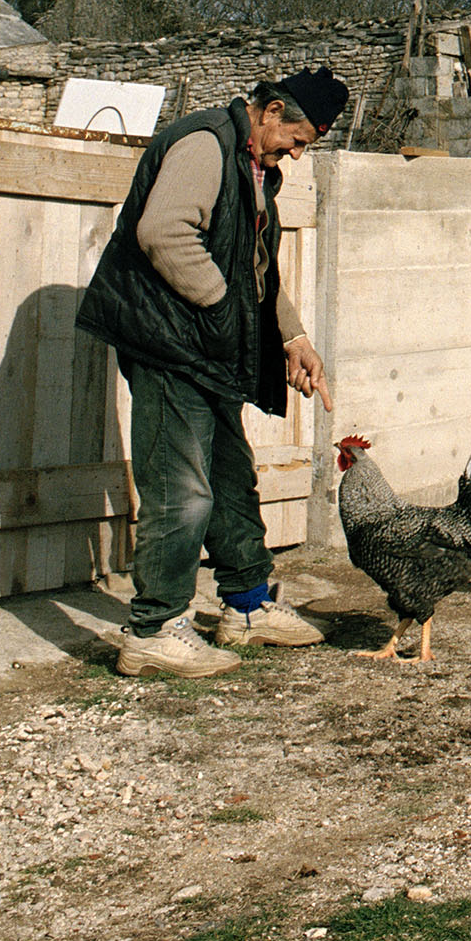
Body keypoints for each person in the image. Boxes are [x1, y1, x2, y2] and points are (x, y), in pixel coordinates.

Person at [78, 67, 351, 677]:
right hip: (168, 343)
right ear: (271, 111)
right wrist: (226, 308)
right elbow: (163, 232)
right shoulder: (204, 145)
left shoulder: (255, 167)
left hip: (203, 344)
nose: (296, 153)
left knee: (228, 476)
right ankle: (154, 628)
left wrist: (292, 336)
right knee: (182, 490)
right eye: (297, 139)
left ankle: (247, 605)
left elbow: (255, 264)